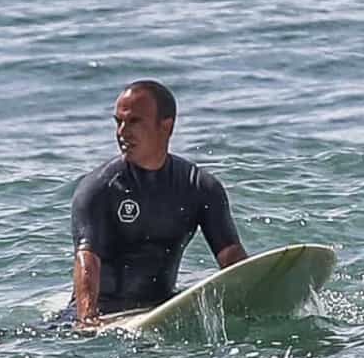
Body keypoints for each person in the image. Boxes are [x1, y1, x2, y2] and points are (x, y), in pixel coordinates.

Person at [66, 79, 247, 325]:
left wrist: (256, 294)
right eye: (118, 122)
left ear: (166, 126)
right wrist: (87, 319)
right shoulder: (99, 188)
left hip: (161, 308)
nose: (122, 132)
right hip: (106, 315)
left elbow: (230, 257)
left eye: (134, 122)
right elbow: (87, 259)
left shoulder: (199, 186)